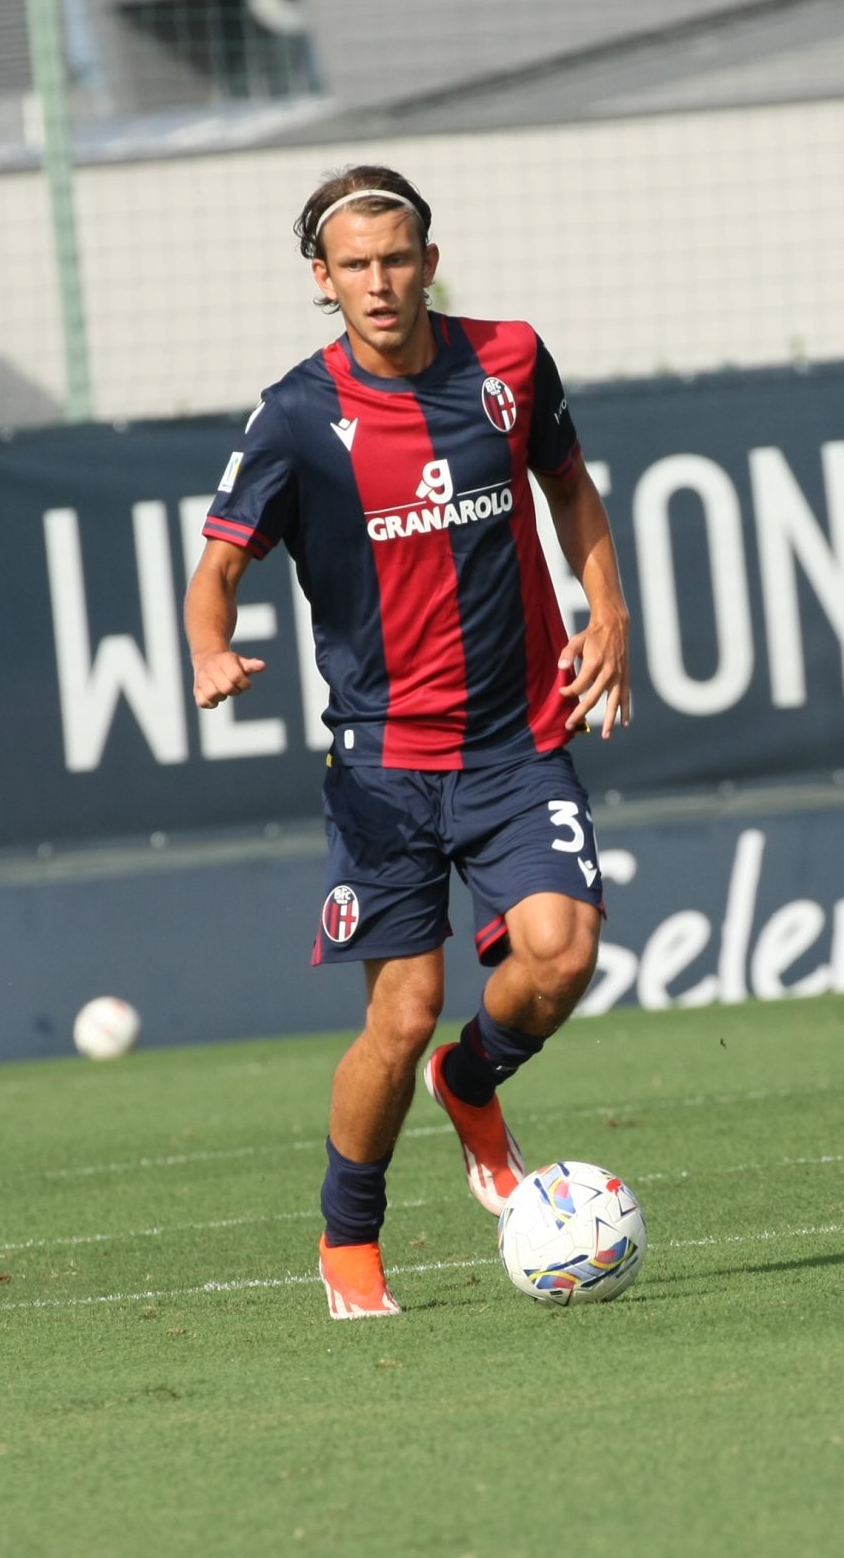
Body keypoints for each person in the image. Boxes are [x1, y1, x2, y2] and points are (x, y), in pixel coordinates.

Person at [185, 164, 633, 1319]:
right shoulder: (295, 415)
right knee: (398, 1011)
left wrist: (611, 615)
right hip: (384, 764)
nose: (380, 283)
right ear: (321, 281)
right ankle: (349, 1244)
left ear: (429, 262)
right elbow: (217, 571)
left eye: (398, 259)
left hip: (514, 742)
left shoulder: (511, 362)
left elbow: (571, 493)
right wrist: (208, 652)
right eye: (355, 267)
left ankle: (473, 1083)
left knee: (563, 951)